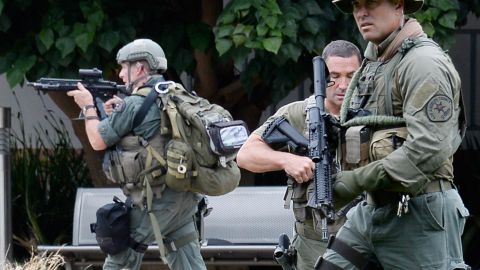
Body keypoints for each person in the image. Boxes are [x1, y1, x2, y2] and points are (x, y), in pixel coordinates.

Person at [314, 0, 470, 269]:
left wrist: (354, 181)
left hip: (421, 214)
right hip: (374, 208)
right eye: (356, 5)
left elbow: (428, 149)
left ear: (399, 5)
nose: (361, 12)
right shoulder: (376, 63)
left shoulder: (423, 63)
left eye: (371, 3)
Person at [67, 38, 207, 270]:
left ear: (140, 68)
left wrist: (88, 106)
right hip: (184, 196)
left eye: (124, 67)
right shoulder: (175, 94)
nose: (121, 74)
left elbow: (97, 141)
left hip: (156, 199)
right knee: (188, 263)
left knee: (120, 260)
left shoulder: (134, 103)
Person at [236, 40, 362, 270]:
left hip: (364, 240)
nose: (343, 84)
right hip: (311, 243)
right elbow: (246, 155)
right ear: (322, 76)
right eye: (334, 75)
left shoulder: (371, 115)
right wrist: (287, 160)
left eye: (351, 75)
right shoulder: (298, 114)